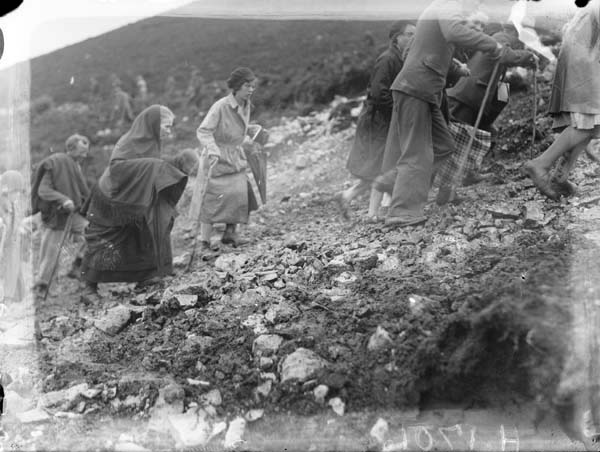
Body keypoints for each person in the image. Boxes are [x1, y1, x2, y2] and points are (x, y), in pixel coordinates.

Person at [380, 0, 536, 227]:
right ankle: (401, 211)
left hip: (428, 90)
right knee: (417, 152)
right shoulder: (447, 4)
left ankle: (393, 182)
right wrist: (494, 45)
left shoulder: (442, 10)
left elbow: (415, 49)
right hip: (416, 89)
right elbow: (453, 32)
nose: (475, 6)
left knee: (443, 146)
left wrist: (454, 66)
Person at [80, 105, 189, 298]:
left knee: (145, 232)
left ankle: (146, 277)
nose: (169, 131)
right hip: (111, 198)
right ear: (153, 124)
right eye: (166, 126)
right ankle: (89, 289)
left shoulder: (153, 142)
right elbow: (117, 168)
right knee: (106, 240)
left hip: (133, 198)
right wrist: (153, 166)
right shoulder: (129, 141)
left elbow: (148, 170)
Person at [335, 20, 415, 221]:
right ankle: (370, 210)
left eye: (415, 34)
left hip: (385, 119)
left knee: (381, 166)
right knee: (380, 166)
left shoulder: (401, 58)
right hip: (377, 121)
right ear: (397, 38)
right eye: (409, 34)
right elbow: (379, 94)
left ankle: (352, 198)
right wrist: (399, 111)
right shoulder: (387, 59)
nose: (413, 38)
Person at [521, 0, 600, 200]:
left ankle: (560, 175)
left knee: (591, 123)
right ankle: (540, 164)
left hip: (581, 60)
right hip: (585, 64)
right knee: (587, 122)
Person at [195, 67, 261, 249]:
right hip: (217, 157)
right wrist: (213, 149)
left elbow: (235, 128)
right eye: (247, 86)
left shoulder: (246, 105)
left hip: (235, 156)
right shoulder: (221, 106)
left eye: (252, 86)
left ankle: (230, 234)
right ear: (237, 86)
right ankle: (204, 242)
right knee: (212, 200)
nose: (251, 90)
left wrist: (250, 129)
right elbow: (203, 130)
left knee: (239, 194)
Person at [30, 135, 91, 296]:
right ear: (71, 148)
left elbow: (83, 192)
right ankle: (41, 287)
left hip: (73, 214)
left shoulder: (76, 166)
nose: (85, 155)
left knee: (94, 233)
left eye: (86, 152)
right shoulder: (56, 162)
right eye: (82, 151)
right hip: (56, 216)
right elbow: (43, 190)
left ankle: (77, 265)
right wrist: (63, 200)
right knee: (51, 254)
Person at [0, 170, 27, 303]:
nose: (17, 195)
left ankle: (6, 300)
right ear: (6, 190)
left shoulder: (14, 205)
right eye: (14, 192)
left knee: (12, 271)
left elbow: (15, 222)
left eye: (19, 192)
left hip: (10, 246)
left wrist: (19, 228)